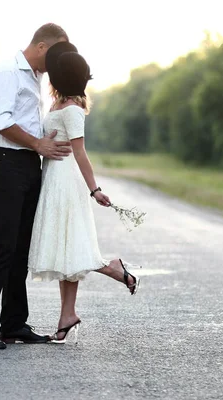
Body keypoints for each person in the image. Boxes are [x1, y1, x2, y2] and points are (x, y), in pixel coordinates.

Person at [0, 23, 72, 350]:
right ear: (41, 47)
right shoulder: (7, 73)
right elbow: (2, 121)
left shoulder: (36, 78)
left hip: (28, 164)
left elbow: (28, 121)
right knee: (4, 243)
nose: (57, 64)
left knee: (21, 247)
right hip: (7, 161)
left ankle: (13, 324)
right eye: (55, 55)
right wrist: (37, 144)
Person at [28, 42, 141, 344]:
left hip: (68, 182)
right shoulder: (56, 106)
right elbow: (51, 139)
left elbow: (80, 153)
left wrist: (95, 190)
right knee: (65, 250)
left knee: (73, 246)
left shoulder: (73, 110)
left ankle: (114, 269)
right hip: (52, 178)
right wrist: (45, 140)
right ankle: (67, 315)